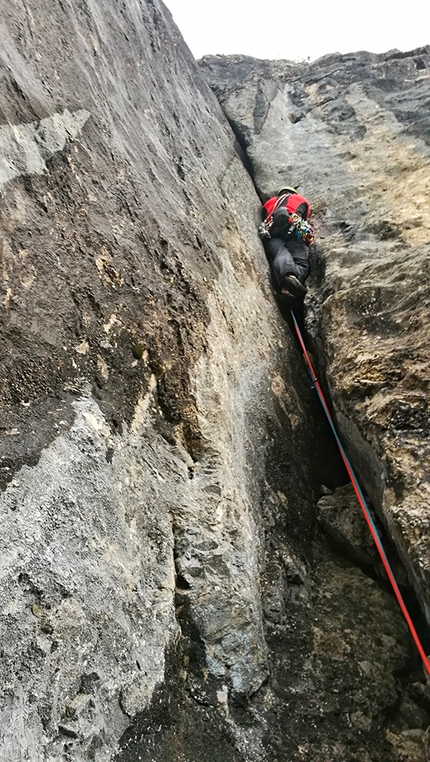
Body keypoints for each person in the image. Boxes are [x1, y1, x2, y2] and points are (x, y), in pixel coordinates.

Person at [259, 186, 314, 300]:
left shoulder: (268, 203)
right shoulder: (301, 199)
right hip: (294, 231)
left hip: (273, 232)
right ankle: (292, 280)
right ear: (294, 193)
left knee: (280, 253)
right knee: (300, 261)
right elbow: (304, 219)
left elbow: (265, 217)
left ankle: (286, 288)